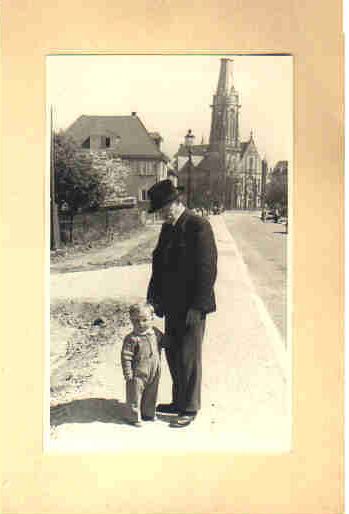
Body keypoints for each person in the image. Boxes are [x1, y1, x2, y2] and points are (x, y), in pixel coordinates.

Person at [147, 179, 218, 428]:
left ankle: (189, 407)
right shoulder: (168, 229)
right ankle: (178, 401)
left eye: (164, 210)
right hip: (172, 304)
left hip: (192, 307)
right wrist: (152, 299)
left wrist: (197, 307)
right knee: (173, 353)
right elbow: (158, 265)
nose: (162, 216)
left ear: (176, 203)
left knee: (189, 355)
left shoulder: (199, 226)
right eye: (160, 212)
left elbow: (206, 270)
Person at [120, 302, 163, 427]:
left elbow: (164, 342)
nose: (140, 324)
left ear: (152, 319)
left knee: (151, 393)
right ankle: (132, 416)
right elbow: (126, 357)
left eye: (144, 320)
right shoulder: (132, 339)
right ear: (131, 321)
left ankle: (148, 413)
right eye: (136, 321)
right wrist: (128, 373)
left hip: (154, 371)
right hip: (137, 373)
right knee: (134, 395)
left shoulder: (155, 333)